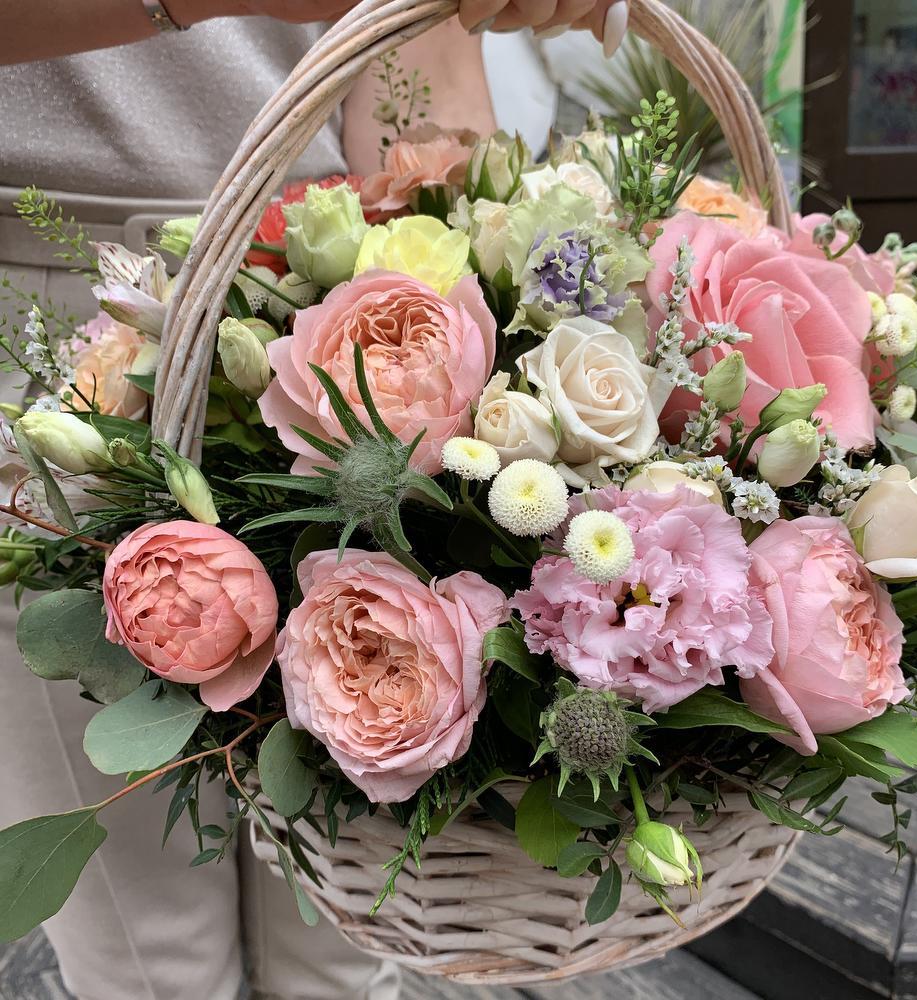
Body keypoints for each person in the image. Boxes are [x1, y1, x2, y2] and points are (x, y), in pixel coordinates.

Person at [0, 3, 627, 999]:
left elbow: (418, 64)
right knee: (149, 964)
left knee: (347, 940)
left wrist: (462, 241)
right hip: (64, 298)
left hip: (328, 279)